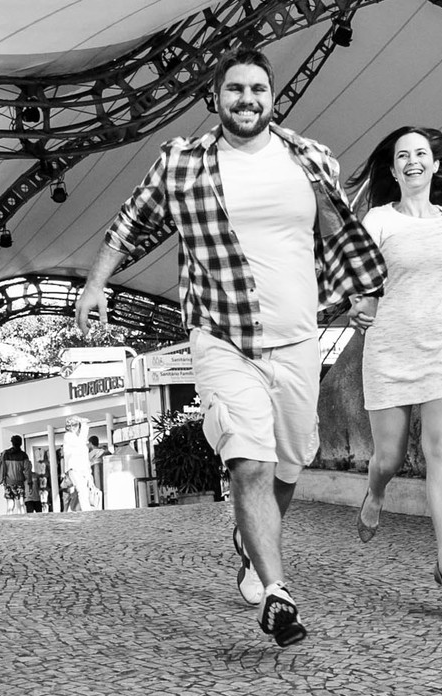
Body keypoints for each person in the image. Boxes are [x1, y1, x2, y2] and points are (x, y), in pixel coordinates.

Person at [74, 47, 386, 646]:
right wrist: (95, 284)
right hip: (221, 335)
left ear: (273, 98)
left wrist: (361, 290)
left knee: (290, 464)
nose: (247, 99)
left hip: (297, 337)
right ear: (215, 98)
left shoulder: (312, 159)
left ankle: (250, 547)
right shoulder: (183, 163)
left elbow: (337, 233)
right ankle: (277, 592)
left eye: (258, 89)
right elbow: (128, 224)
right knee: (250, 461)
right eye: (235, 89)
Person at [346, 126, 442, 598]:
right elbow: (359, 277)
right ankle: (378, 491)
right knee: (387, 458)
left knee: (441, 449)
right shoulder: (377, 222)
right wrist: (356, 303)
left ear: (433, 165)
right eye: (402, 155)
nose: (412, 160)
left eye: (421, 154)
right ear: (393, 170)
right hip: (390, 347)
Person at [62, 416, 99, 511]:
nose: (73, 427)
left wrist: (88, 473)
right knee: (82, 490)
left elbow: (84, 457)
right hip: (74, 468)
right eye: (70, 425)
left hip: (82, 468)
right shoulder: (68, 436)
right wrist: (84, 425)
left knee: (83, 491)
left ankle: (81, 510)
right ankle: (86, 511)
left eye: (75, 425)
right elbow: (80, 442)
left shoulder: (77, 439)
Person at [0, 435, 32, 514]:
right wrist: (29, 482)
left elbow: (2, 468)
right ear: (21, 443)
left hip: (8, 482)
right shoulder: (23, 455)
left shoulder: (5, 454)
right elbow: (27, 471)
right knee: (21, 504)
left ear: (12, 443)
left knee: (10, 505)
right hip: (19, 482)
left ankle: (9, 519)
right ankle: (22, 521)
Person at [87, 435, 111, 504]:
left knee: (97, 490)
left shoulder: (91, 454)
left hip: (95, 472)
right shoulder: (104, 452)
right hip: (105, 472)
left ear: (91, 443)